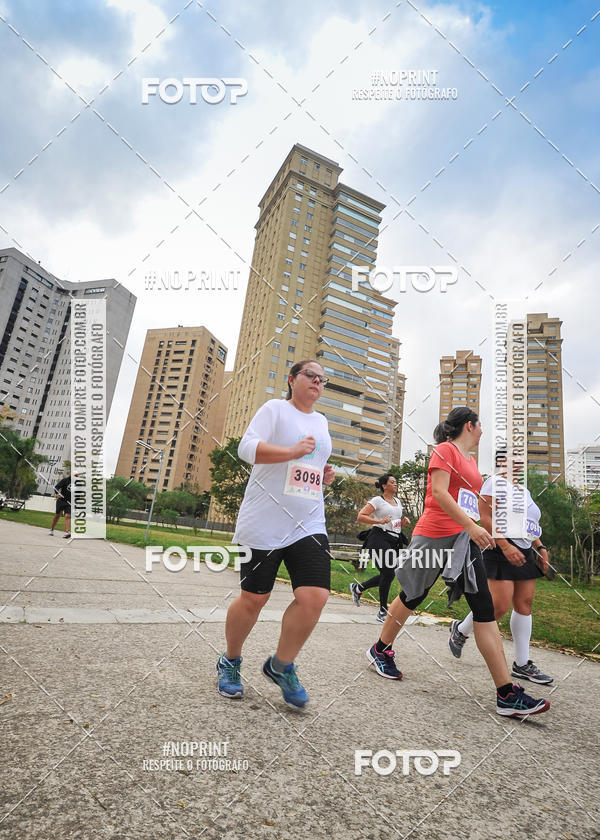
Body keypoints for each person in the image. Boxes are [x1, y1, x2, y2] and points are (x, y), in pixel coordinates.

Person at [365, 407, 550, 718]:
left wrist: (477, 528)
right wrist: (472, 526)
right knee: (413, 595)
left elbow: (470, 501)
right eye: (480, 425)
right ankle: (380, 649)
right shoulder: (445, 451)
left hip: (463, 541)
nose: (483, 431)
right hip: (434, 535)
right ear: (469, 425)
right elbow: (439, 493)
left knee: (484, 607)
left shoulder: (472, 462)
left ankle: (506, 694)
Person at [216, 360, 335, 708]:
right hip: (264, 522)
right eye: (310, 375)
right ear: (292, 379)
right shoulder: (275, 409)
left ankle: (281, 666)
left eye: (322, 379)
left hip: (308, 521)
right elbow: (246, 448)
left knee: (315, 596)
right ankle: (230, 660)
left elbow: (307, 466)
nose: (317, 381)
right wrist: (291, 452)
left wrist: (322, 473)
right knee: (254, 599)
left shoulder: (321, 421)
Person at [448, 453, 553, 684]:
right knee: (498, 607)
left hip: (524, 549)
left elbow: (530, 525)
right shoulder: (494, 482)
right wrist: (505, 546)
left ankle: (522, 664)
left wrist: (540, 547)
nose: (518, 463)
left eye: (520, 459)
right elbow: (485, 518)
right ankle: (461, 630)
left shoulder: (524, 491)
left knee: (525, 604)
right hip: (499, 547)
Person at [350, 474, 410, 622]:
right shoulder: (378, 500)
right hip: (378, 538)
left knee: (389, 574)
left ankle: (358, 588)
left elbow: (393, 523)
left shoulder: (398, 501)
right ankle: (383, 611)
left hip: (393, 540)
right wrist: (379, 521)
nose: (395, 484)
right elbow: (361, 516)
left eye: (396, 482)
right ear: (384, 485)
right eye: (392, 482)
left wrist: (402, 524)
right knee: (388, 572)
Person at [49, 474, 72, 538]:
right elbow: (56, 487)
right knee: (58, 515)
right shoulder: (65, 480)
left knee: (68, 516)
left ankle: (67, 532)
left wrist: (76, 500)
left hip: (69, 502)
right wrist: (57, 494)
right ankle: (52, 529)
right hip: (61, 501)